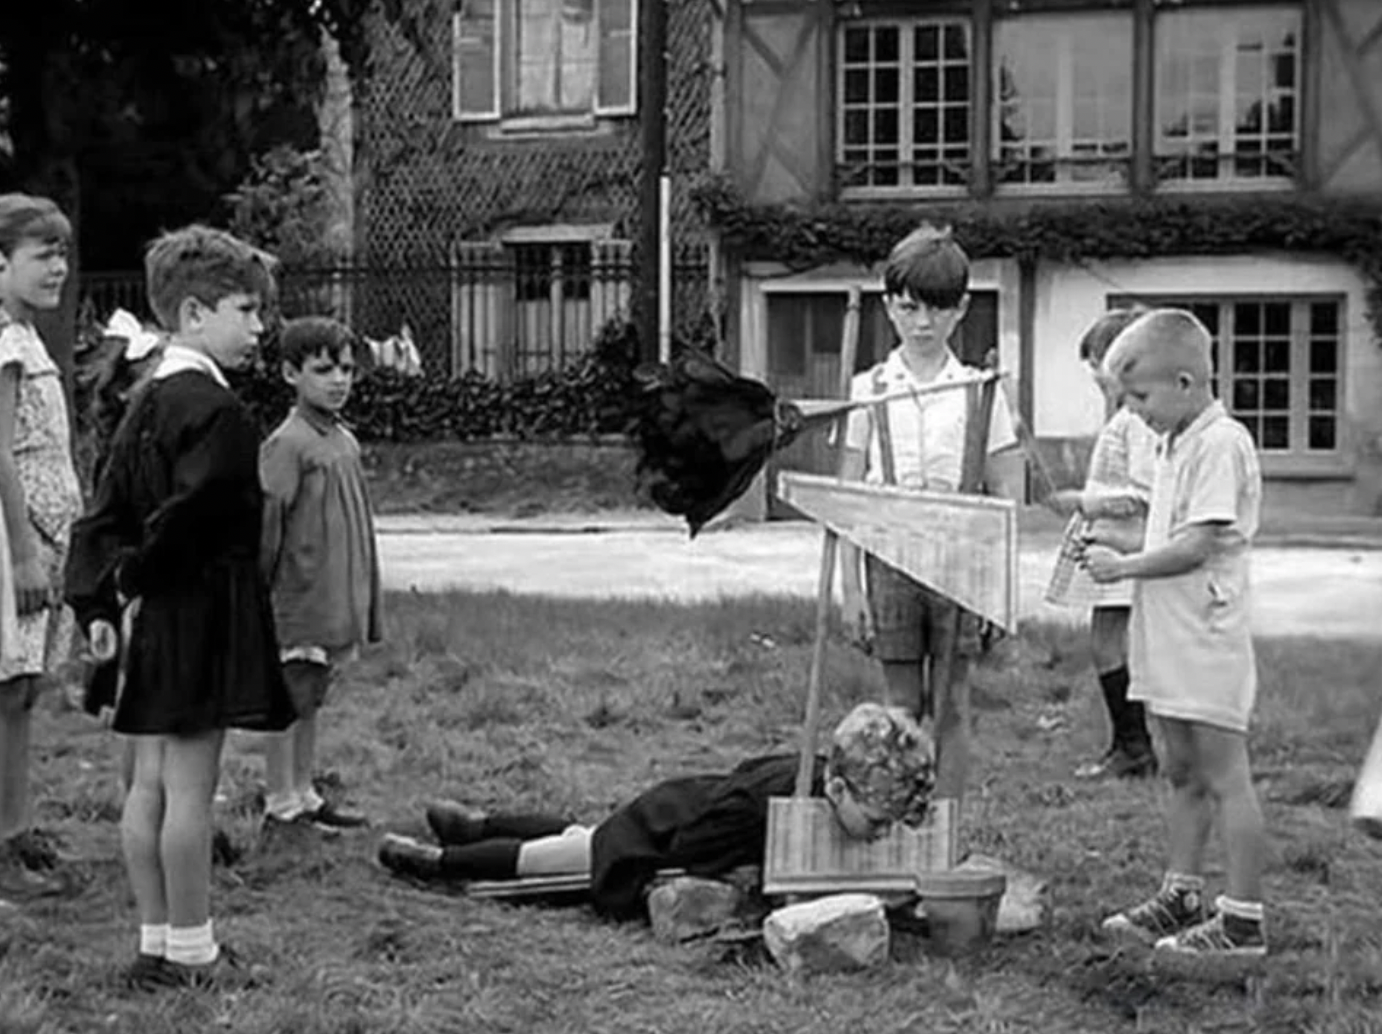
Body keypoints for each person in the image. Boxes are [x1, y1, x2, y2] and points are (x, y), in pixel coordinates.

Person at [64, 225, 296, 990]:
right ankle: (192, 951)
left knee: (149, 784)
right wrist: (137, 575)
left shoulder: (143, 400)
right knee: (190, 789)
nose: (260, 327)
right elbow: (189, 517)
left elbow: (103, 512)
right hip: (199, 607)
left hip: (151, 619)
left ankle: (155, 940)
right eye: (245, 309)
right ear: (194, 313)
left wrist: (101, 596)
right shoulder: (218, 412)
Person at [377, 702, 935, 921]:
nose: (879, 834)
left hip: (688, 800)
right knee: (559, 857)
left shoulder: (821, 784)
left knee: (579, 833)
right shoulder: (764, 810)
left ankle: (476, 823)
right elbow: (693, 849)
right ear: (835, 789)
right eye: (877, 822)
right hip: (665, 829)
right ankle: (440, 859)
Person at [1083, 308, 1268, 959]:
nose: (1133, 413)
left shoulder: (1221, 443)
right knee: (1180, 769)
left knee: (1225, 774)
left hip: (1207, 638)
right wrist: (1113, 538)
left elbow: (1195, 548)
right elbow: (1167, 534)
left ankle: (1243, 921)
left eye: (1140, 397)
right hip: (1168, 638)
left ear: (1187, 382)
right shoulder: (1174, 442)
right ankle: (1182, 892)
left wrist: (1123, 566)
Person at [838, 225, 1024, 803]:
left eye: (938, 310)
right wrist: (852, 587)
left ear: (961, 309)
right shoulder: (868, 389)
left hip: (961, 564)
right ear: (889, 306)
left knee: (952, 702)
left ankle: (945, 823)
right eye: (910, 307)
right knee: (900, 706)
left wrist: (999, 588)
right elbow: (847, 498)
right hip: (889, 561)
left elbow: (1004, 497)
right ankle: (897, 813)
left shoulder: (980, 391)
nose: (923, 323)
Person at [259, 316, 381, 834]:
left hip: (333, 593)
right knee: (289, 694)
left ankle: (306, 791)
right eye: (323, 369)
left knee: (313, 694)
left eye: (347, 369)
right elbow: (269, 525)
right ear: (291, 374)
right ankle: (279, 799)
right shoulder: (288, 444)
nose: (338, 380)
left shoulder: (344, 441)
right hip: (297, 594)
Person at [0, 194, 85, 903]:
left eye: (62, 253)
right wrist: (23, 552)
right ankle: (5, 841)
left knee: (24, 689)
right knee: (8, 688)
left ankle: (19, 828)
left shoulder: (27, 336)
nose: (57, 266)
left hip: (48, 538)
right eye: (41, 254)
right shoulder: (2, 341)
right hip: (15, 542)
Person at [1042, 306, 1158, 780]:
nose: (1092, 375)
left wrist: (1084, 501)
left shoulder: (1139, 421)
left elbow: (1144, 495)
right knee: (1104, 642)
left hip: (1125, 546)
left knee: (1110, 643)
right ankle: (1129, 742)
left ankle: (1135, 746)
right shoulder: (1125, 418)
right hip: (1111, 543)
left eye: (1097, 364)